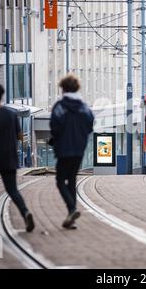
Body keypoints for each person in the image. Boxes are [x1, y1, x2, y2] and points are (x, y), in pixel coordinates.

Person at [0, 83, 34, 232]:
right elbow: (19, 136)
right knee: (12, 190)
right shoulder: (11, 115)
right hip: (9, 158)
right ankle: (25, 212)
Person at [50, 74, 94, 229]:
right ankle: (71, 218)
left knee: (60, 180)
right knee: (72, 180)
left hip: (63, 149)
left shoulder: (59, 106)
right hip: (79, 149)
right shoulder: (84, 107)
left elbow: (54, 127)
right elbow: (90, 126)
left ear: (63, 88)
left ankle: (72, 209)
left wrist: (56, 139)